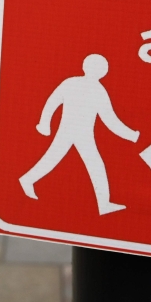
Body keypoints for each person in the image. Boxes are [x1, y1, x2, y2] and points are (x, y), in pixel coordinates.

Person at [19, 54, 139, 215]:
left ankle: (104, 204)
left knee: (62, 160)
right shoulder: (92, 89)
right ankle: (104, 204)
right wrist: (132, 135)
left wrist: (44, 123)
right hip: (75, 133)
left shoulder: (75, 84)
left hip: (78, 133)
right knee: (90, 164)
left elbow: (52, 102)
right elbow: (110, 120)